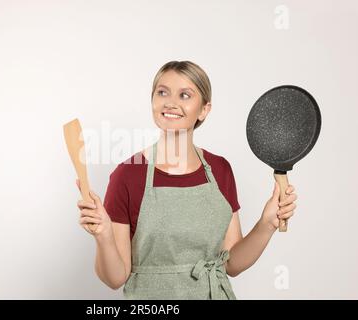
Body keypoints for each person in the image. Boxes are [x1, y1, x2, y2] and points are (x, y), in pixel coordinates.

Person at [76, 60, 297, 299]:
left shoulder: (220, 170)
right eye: (162, 92)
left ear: (204, 109)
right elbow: (115, 278)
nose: (171, 103)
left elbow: (231, 263)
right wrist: (104, 236)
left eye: (185, 95)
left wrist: (266, 224)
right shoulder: (128, 175)